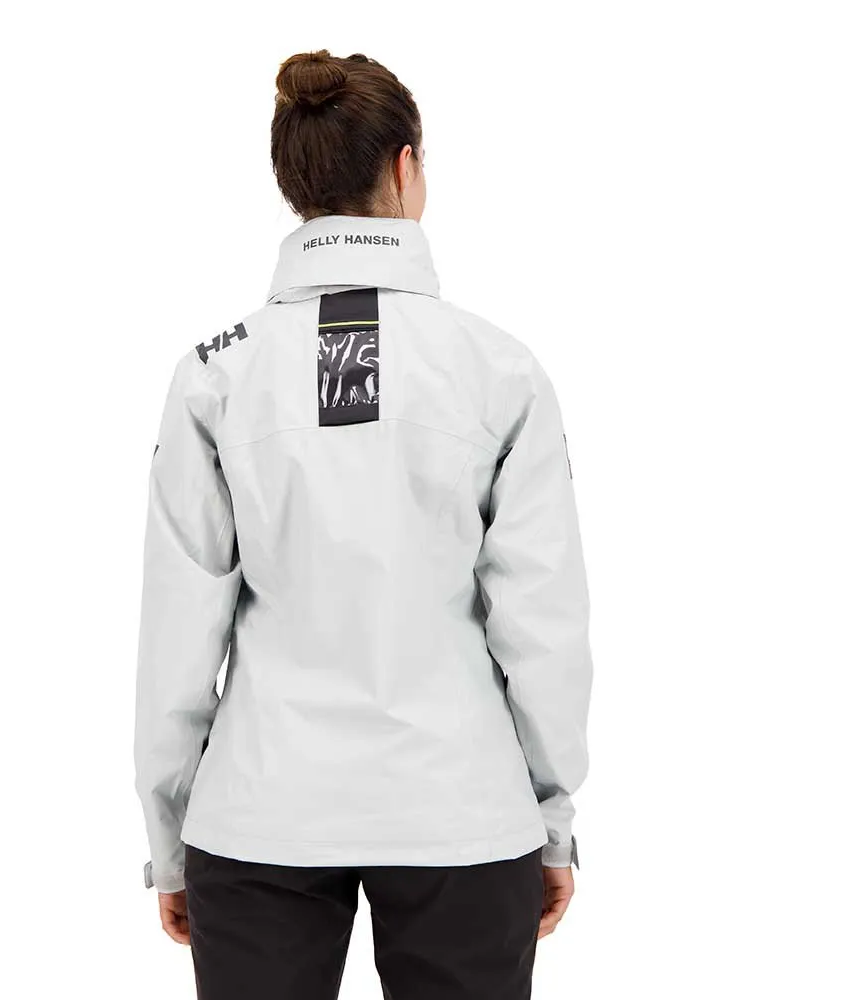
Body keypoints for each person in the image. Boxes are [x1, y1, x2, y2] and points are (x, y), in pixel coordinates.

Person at [133, 49, 593, 1000]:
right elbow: (543, 629)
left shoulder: (215, 374)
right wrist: (552, 822)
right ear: (406, 164)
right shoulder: (500, 371)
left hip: (259, 814)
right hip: (463, 812)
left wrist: (169, 842)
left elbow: (177, 640)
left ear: (294, 183)